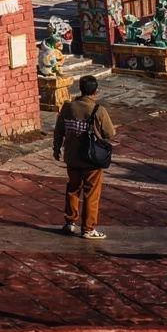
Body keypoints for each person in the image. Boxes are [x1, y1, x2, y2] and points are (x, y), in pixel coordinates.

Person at [52, 74, 118, 240]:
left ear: (80, 89)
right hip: (91, 159)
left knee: (73, 189)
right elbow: (110, 133)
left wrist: (56, 148)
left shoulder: (68, 107)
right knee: (91, 193)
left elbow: (59, 130)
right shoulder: (98, 110)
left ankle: (70, 222)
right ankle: (88, 228)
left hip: (71, 156)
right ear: (95, 92)